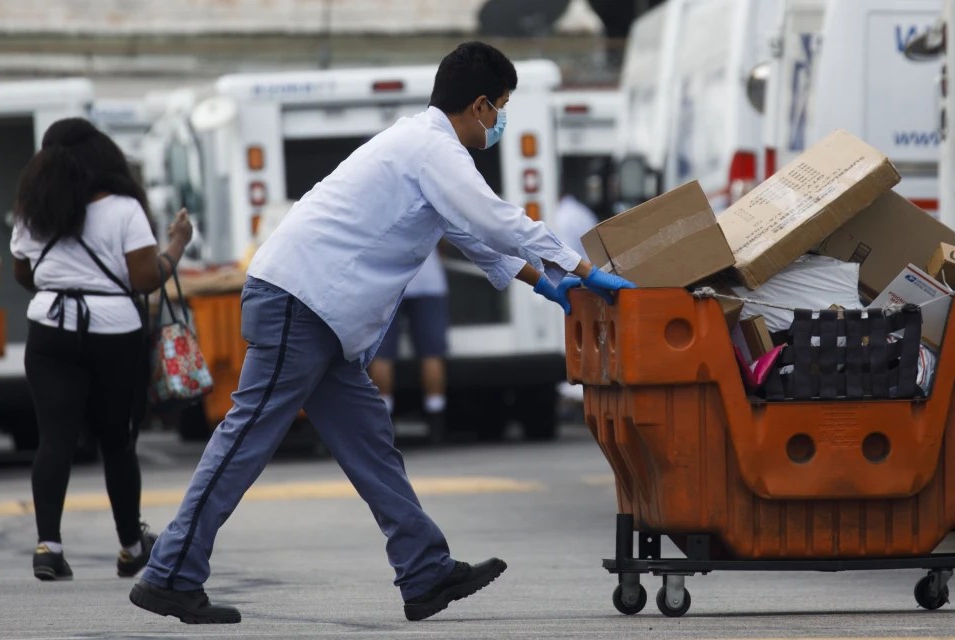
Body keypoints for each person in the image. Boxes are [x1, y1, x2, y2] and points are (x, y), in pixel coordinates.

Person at [128, 41, 635, 624]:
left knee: (371, 444)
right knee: (244, 440)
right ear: (477, 106)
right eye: (500, 107)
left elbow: (470, 235)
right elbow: (494, 218)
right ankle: (169, 573)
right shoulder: (432, 148)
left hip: (316, 313)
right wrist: (581, 270)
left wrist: (539, 281)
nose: (500, 121)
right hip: (300, 302)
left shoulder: (421, 145)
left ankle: (424, 571)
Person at [9, 118, 194, 581]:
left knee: (54, 440)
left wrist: (64, 277)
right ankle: (132, 547)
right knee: (117, 442)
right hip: (114, 332)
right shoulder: (124, 209)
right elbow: (146, 279)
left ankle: (48, 546)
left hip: (49, 329)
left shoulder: (33, 208)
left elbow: (24, 274)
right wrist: (176, 244)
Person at [369, 250, 451, 442]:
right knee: (432, 354)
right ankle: (436, 418)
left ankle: (385, 421)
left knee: (382, 354)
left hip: (387, 281)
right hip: (429, 280)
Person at [552, 190, 600, 262]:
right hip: (591, 260)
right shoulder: (582, 210)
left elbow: (566, 249)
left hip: (579, 265)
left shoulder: (563, 215)